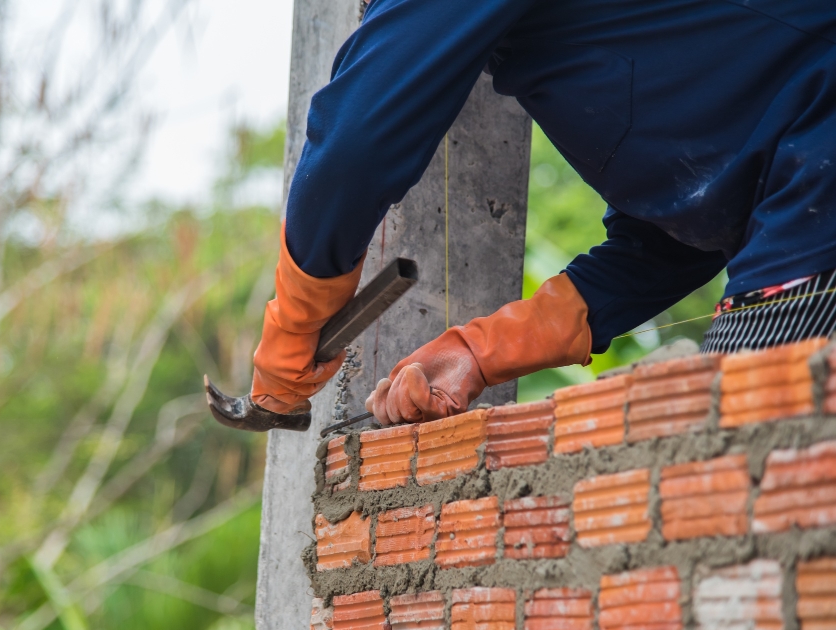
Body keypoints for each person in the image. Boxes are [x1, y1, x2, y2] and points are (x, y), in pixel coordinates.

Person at [250, 0, 836, 426]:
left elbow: (357, 141)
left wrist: (297, 322)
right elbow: (685, 229)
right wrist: (485, 349)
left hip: (817, 180)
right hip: (803, 199)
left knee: (736, 475)